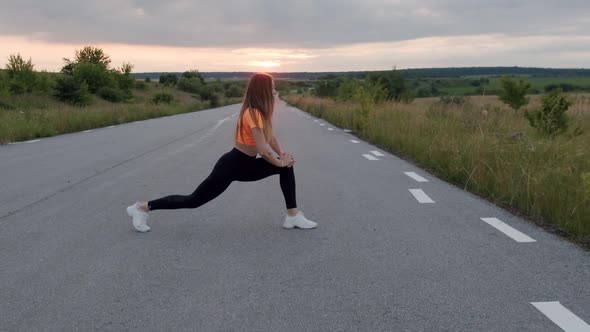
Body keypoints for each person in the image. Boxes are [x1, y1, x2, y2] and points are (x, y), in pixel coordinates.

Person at [126, 73, 317, 232]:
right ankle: (142, 207)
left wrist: (282, 156)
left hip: (246, 164)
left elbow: (271, 138)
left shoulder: (260, 112)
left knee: (286, 167)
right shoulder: (253, 113)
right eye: (272, 88)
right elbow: (263, 150)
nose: (275, 91)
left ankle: (292, 216)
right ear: (263, 91)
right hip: (232, 165)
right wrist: (278, 161)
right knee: (193, 200)